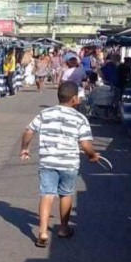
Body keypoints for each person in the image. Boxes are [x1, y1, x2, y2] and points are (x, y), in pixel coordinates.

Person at [20, 81, 103, 247]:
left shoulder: (45, 113)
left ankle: (42, 231)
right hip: (69, 163)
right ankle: (63, 228)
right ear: (74, 99)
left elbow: (29, 130)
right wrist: (93, 156)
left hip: (48, 161)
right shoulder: (80, 118)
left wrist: (25, 148)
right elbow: (86, 145)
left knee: (47, 194)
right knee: (66, 194)